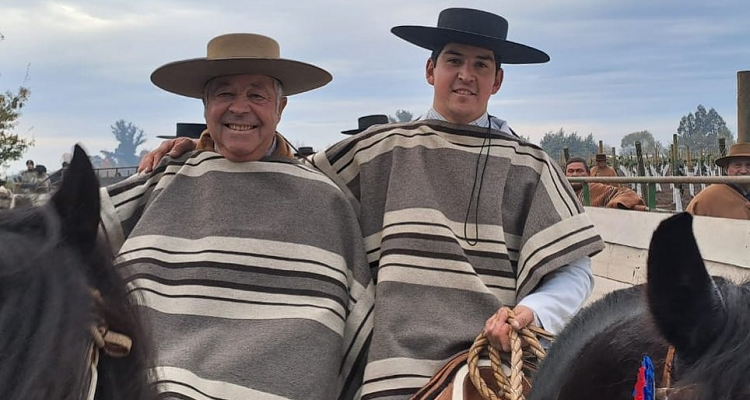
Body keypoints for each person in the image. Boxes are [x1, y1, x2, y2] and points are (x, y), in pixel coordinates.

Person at [138, 10, 605, 399]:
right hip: (385, 364)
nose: (466, 75)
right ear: (430, 70)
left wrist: (532, 313)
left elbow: (573, 268)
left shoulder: (530, 164)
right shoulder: (379, 150)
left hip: (488, 361)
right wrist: (209, 145)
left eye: (481, 65)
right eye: (454, 60)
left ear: (497, 81)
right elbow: (288, 178)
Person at [101, 33, 374, 400]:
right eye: (225, 94)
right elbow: (71, 228)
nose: (239, 108)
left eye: (257, 95)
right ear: (205, 106)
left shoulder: (323, 199)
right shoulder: (165, 180)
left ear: (281, 108)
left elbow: (354, 317)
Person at [686, 142, 750, 220]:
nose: (744, 171)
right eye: (737, 165)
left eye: (748, 165)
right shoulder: (709, 197)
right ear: (726, 169)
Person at [565, 157, 646, 210]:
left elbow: (627, 194)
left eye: (579, 171)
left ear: (588, 174)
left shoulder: (596, 188)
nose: (574, 174)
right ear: (564, 175)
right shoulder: (559, 191)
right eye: (570, 171)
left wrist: (611, 207)